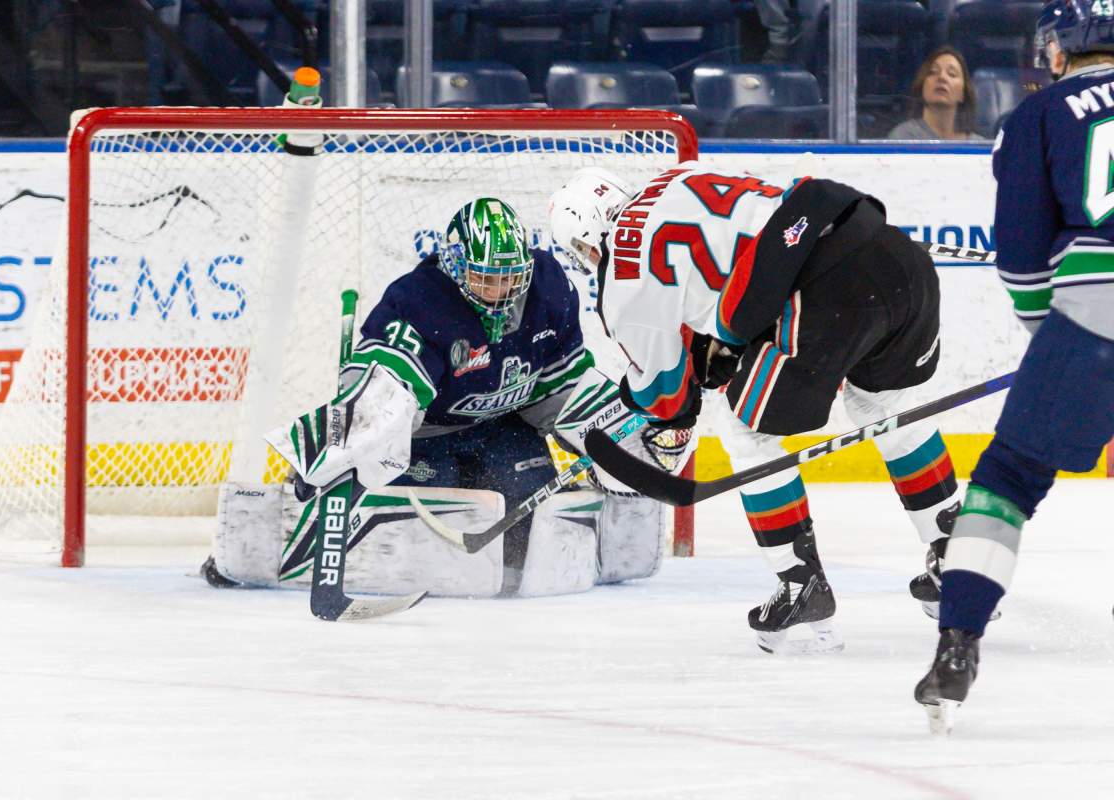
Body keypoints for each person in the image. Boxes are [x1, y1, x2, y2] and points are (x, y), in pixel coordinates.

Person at [550, 164, 963, 654]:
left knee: (747, 431)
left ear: (586, 243)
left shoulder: (623, 274)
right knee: (884, 403)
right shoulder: (677, 178)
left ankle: (799, 581)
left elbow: (669, 398)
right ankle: (957, 555)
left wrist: (635, 397)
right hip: (894, 253)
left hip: (827, 294)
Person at [206, 197, 677, 599]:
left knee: (526, 533)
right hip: (424, 438)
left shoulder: (550, 290)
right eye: (485, 278)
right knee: (425, 523)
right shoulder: (419, 301)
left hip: (505, 429)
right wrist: (342, 450)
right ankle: (301, 529)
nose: (500, 292)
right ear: (455, 265)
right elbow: (384, 395)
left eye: (510, 278)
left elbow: (565, 386)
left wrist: (615, 440)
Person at [914, 0, 1114, 734]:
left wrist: (1053, 339)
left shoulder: (1041, 114)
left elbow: (1024, 253)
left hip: (1096, 312)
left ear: (1060, 49)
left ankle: (958, 643)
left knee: (1006, 480)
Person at [888, 45, 986, 140]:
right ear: (922, 86)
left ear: (963, 94)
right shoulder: (902, 138)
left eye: (952, 74)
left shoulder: (980, 146)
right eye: (933, 72)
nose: (942, 77)